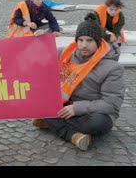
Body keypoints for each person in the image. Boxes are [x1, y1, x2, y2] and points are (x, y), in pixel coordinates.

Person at [32, 13, 125, 151]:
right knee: (40, 102)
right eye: (80, 40)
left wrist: (77, 108)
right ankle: (72, 135)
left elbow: (111, 104)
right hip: (67, 105)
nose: (83, 45)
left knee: (98, 123)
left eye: (89, 40)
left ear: (98, 42)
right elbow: (41, 55)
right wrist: (38, 40)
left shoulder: (112, 68)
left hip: (93, 111)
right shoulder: (66, 54)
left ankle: (51, 122)